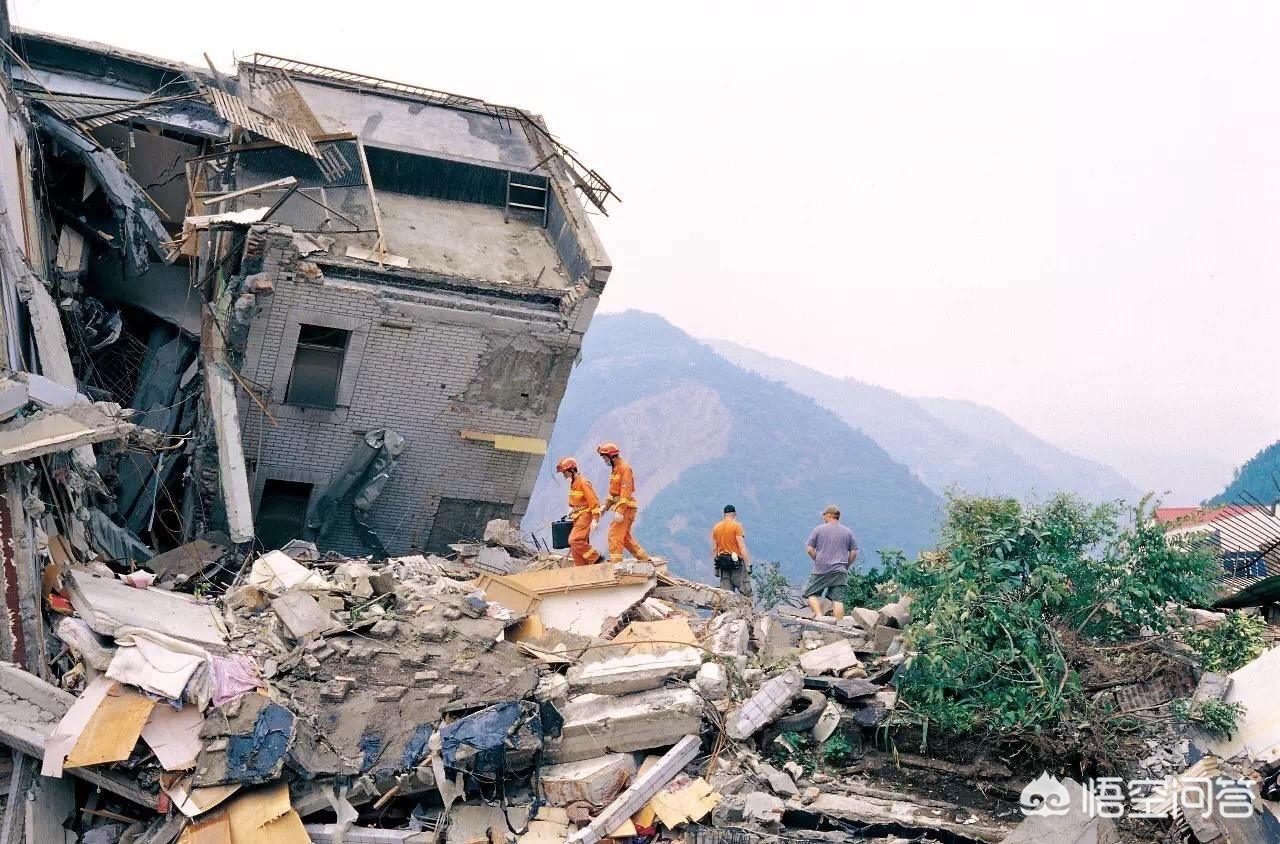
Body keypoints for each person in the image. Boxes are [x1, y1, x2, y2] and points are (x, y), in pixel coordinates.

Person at [597, 443, 651, 563]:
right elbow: (614, 493)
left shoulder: (624, 468)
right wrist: (605, 507)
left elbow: (625, 492)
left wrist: (620, 511)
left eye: (604, 457)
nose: (604, 460)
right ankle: (645, 560)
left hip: (626, 508)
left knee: (614, 534)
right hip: (622, 507)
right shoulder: (615, 469)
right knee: (625, 538)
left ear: (611, 456)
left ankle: (616, 564)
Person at [803, 505, 859, 619]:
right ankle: (839, 625)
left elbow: (809, 549)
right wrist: (846, 565)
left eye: (824, 515)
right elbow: (854, 552)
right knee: (838, 600)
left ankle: (819, 616)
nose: (823, 518)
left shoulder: (818, 529)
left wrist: (817, 559)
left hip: (821, 569)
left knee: (810, 593)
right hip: (840, 570)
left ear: (828, 515)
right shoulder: (848, 532)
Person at [555, 457, 604, 566]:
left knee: (574, 540)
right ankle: (581, 569)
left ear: (571, 471)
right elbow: (579, 500)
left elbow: (594, 502)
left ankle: (596, 558)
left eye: (564, 472)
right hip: (577, 516)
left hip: (584, 516)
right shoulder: (574, 483)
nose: (564, 475)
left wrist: (595, 519)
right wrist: (572, 508)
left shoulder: (583, 483)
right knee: (576, 549)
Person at [711, 504, 752, 595]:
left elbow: (714, 549)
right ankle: (746, 609)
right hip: (736, 564)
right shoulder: (737, 526)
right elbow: (741, 547)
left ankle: (729, 610)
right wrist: (748, 564)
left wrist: (716, 568)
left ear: (724, 514)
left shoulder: (716, 528)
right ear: (734, 514)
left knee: (727, 595)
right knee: (746, 593)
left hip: (723, 564)